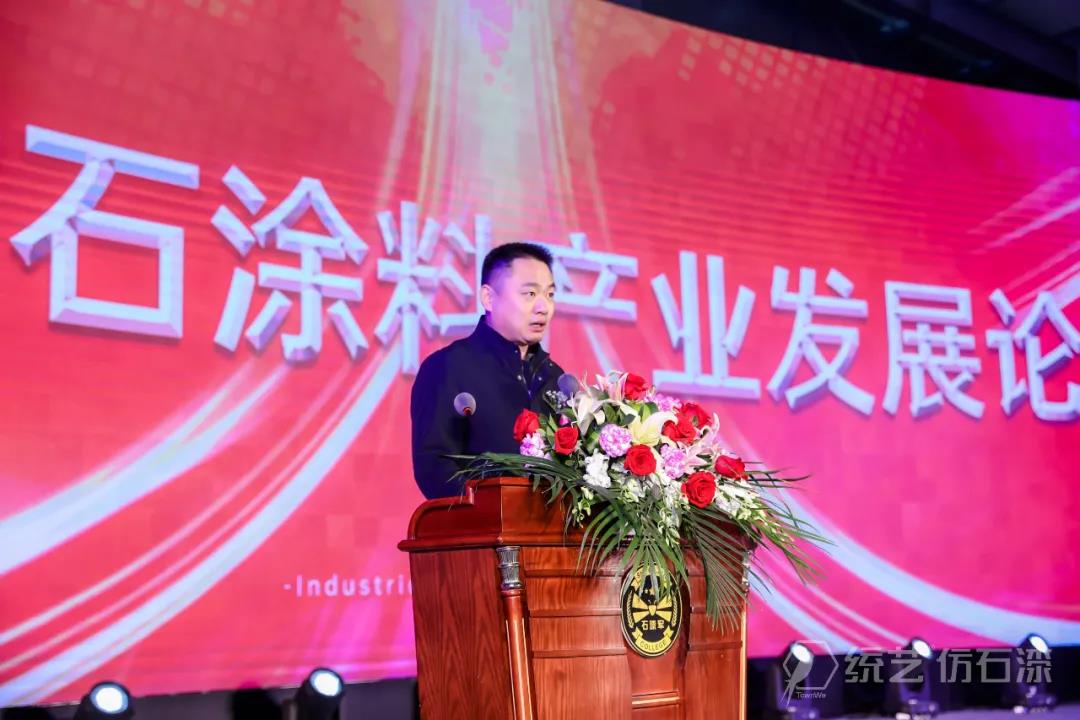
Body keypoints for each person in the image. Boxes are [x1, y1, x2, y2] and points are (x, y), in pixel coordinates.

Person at [410, 242, 565, 499]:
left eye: (549, 294)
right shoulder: (448, 367)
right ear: (488, 298)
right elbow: (434, 467)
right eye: (530, 294)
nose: (543, 307)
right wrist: (498, 505)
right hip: (482, 523)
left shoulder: (555, 378)